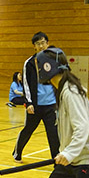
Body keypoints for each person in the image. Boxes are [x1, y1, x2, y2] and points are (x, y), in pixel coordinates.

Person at [35, 47, 89, 178]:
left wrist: (68, 153)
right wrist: (65, 152)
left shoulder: (70, 91)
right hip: (73, 160)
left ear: (47, 66)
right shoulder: (62, 90)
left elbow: (82, 127)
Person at [12, 32, 60, 163]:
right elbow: (26, 84)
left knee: (53, 133)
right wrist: (29, 103)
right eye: (38, 44)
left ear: (48, 43)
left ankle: (56, 160)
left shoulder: (55, 61)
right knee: (28, 129)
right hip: (35, 106)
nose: (41, 46)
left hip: (51, 105)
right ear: (34, 46)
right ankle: (17, 152)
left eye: (43, 43)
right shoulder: (29, 63)